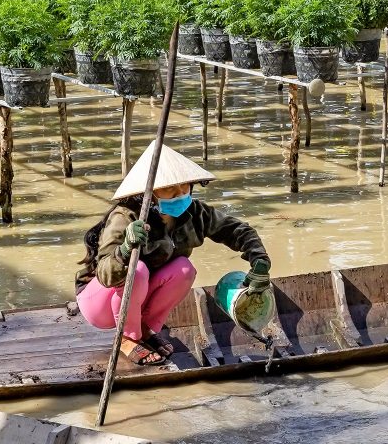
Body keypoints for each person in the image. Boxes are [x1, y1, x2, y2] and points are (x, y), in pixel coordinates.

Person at [75, 141, 271, 366]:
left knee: (185, 269)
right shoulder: (126, 217)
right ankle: (127, 338)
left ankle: (144, 329)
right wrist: (125, 249)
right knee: (137, 269)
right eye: (169, 188)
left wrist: (260, 260)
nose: (179, 193)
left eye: (184, 186)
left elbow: (237, 230)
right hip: (100, 301)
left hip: (140, 296)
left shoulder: (195, 213)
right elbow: (105, 275)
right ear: (150, 192)